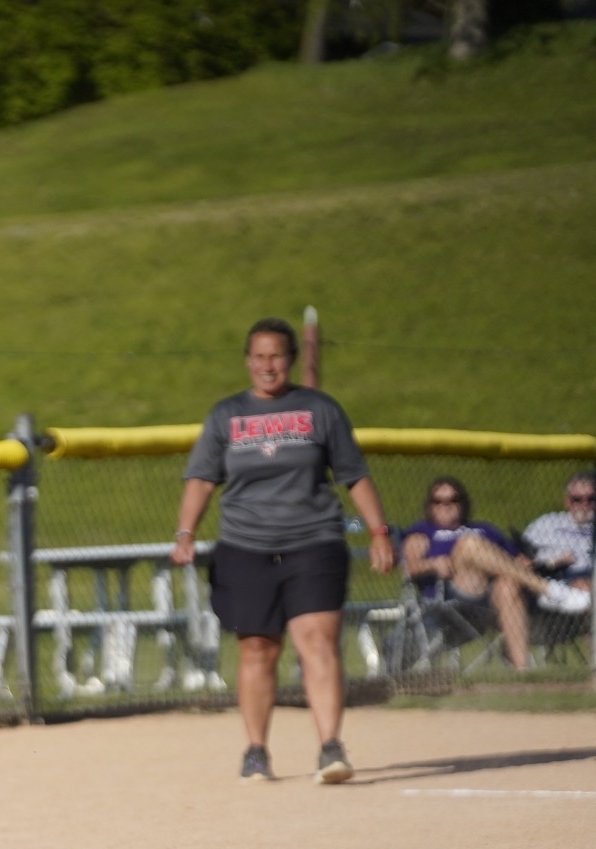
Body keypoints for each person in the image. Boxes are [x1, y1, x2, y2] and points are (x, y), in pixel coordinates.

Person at [174, 316, 394, 784]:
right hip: (245, 545)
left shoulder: (320, 409)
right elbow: (201, 479)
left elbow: (354, 474)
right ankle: (256, 750)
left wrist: (378, 532)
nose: (267, 365)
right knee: (257, 648)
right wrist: (185, 533)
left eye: (276, 355)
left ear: (291, 359)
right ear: (247, 361)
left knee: (317, 640)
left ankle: (330, 746)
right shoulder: (226, 415)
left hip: (313, 540)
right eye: (259, 356)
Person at [400, 477, 587, 669]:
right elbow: (408, 569)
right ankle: (549, 590)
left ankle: (522, 671)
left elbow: (516, 563)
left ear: (463, 502)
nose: (446, 505)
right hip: (456, 597)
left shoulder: (485, 529)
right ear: (430, 505)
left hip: (495, 599)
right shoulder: (422, 532)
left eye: (453, 499)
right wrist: (432, 564)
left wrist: (538, 562)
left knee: (507, 585)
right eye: (438, 501)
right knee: (468, 544)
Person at [522, 471, 595, 597]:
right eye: (577, 500)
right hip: (550, 576)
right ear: (567, 501)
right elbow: (521, 556)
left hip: (587, 575)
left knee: (584, 585)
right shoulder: (548, 522)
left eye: (591, 499)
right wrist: (553, 562)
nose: (585, 505)